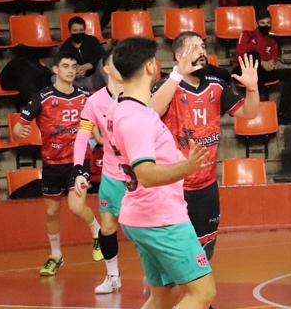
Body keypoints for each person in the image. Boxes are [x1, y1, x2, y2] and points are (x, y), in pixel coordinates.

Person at [107, 36, 215, 309]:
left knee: (163, 297)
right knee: (202, 293)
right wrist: (187, 167)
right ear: (150, 67)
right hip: (161, 219)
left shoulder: (122, 106)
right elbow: (146, 173)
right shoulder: (137, 118)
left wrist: (178, 73)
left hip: (141, 216)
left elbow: (152, 110)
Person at [149, 32, 261, 262]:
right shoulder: (168, 86)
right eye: (194, 48)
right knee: (174, 251)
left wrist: (252, 89)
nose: (201, 52)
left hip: (207, 186)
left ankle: (200, 286)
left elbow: (249, 113)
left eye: (202, 47)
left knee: (205, 251)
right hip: (175, 185)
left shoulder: (217, 86)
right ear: (179, 56)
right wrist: (177, 74)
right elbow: (151, 112)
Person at [12, 50, 100, 276]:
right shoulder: (42, 97)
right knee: (52, 212)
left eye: (73, 67)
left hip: (79, 161)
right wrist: (19, 130)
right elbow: (18, 126)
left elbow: (96, 124)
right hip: (52, 163)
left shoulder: (86, 96)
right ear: (55, 69)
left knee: (76, 206)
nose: (70, 71)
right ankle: (56, 256)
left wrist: (101, 138)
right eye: (65, 66)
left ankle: (97, 233)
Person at [72, 52, 126, 294]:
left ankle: (153, 275)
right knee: (107, 227)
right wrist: (78, 169)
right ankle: (113, 277)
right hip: (112, 175)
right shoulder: (94, 102)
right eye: (116, 62)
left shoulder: (139, 96)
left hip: (140, 175)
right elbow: (83, 136)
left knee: (145, 229)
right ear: (106, 68)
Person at [234, 9, 291, 124]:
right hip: (242, 70)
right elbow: (240, 55)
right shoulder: (246, 35)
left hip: (261, 72)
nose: (266, 26)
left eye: (268, 23)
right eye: (262, 23)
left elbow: (272, 62)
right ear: (256, 23)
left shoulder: (272, 42)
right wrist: (261, 62)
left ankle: (282, 112)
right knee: (254, 55)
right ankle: (257, 103)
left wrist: (270, 65)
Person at [60, 16, 106, 91]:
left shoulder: (92, 41)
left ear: (84, 30)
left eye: (81, 30)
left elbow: (102, 56)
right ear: (70, 31)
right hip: (75, 81)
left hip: (94, 79)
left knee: (104, 63)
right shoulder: (66, 47)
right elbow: (62, 64)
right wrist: (74, 70)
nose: (78, 33)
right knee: (54, 77)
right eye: (75, 30)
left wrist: (88, 66)